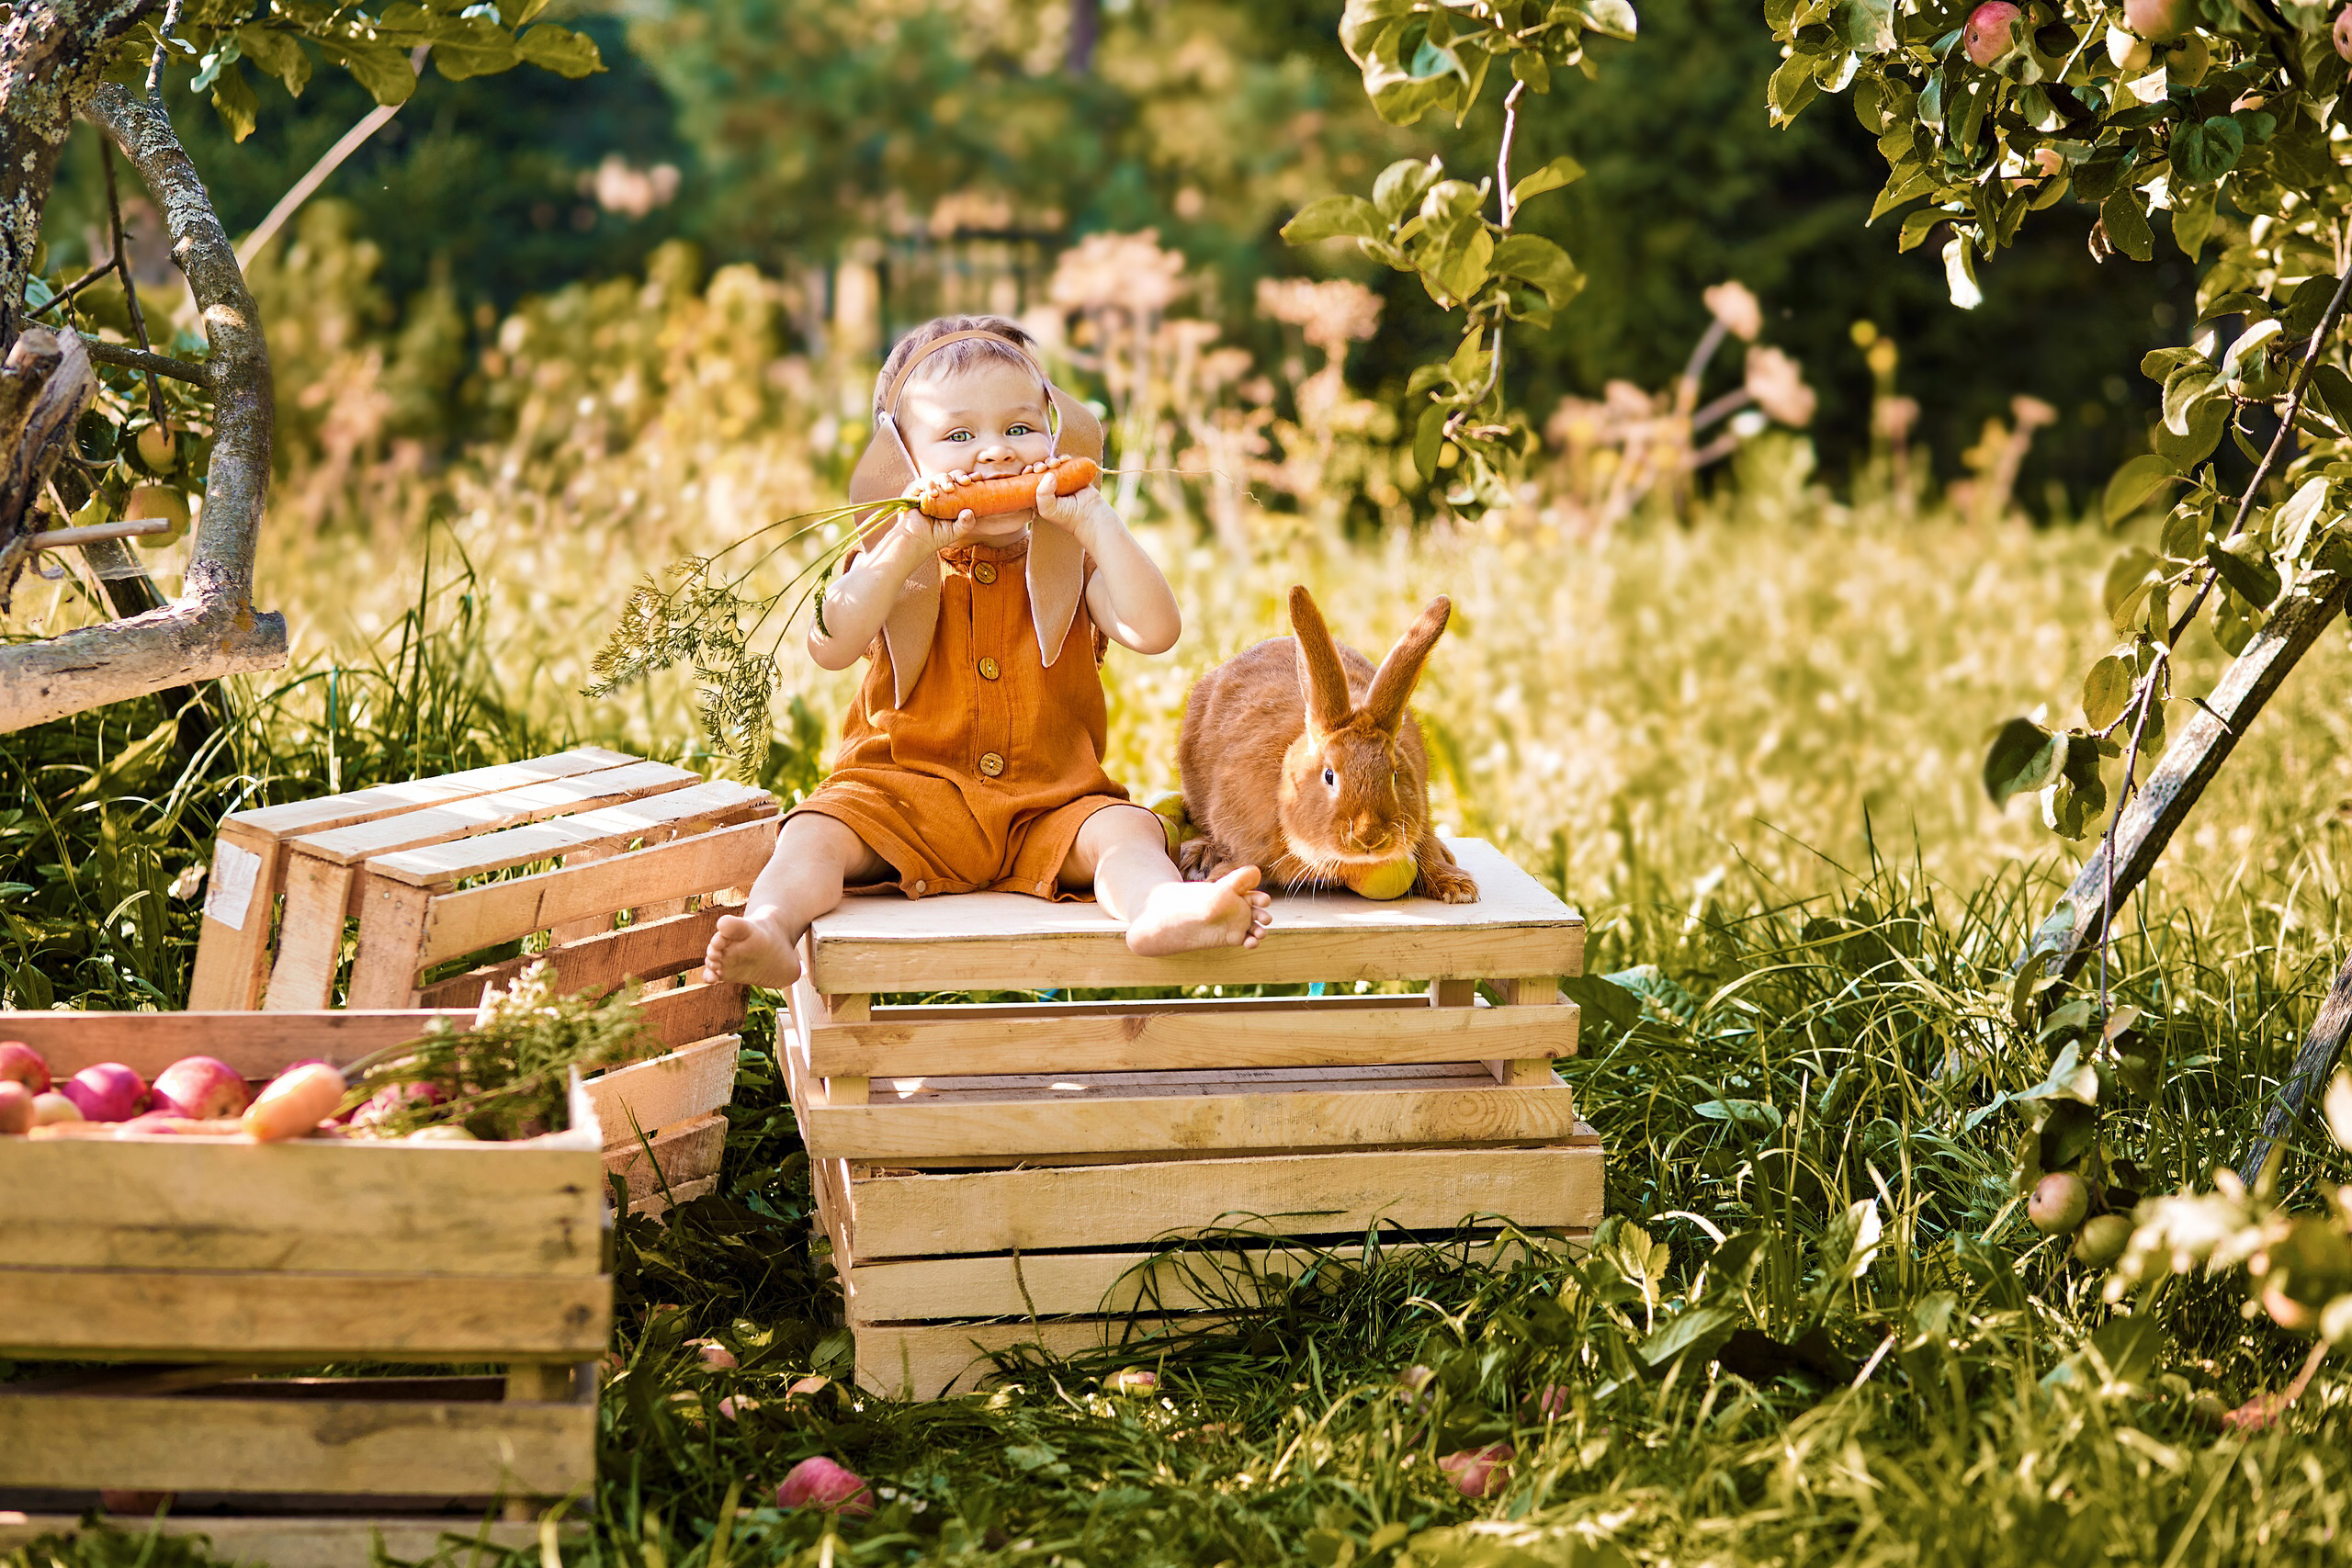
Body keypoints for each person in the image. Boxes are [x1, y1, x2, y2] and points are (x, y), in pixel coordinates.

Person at [704, 316, 1272, 990]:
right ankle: (771, 926)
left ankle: (1160, 907)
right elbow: (831, 643)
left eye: (1021, 428)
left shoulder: (1072, 560)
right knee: (814, 833)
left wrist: (1096, 519)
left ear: (1057, 435)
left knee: (1126, 830)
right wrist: (908, 544)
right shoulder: (892, 562)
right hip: (903, 797)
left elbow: (1157, 630)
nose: (997, 453)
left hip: (1048, 804)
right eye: (959, 435)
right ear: (904, 462)